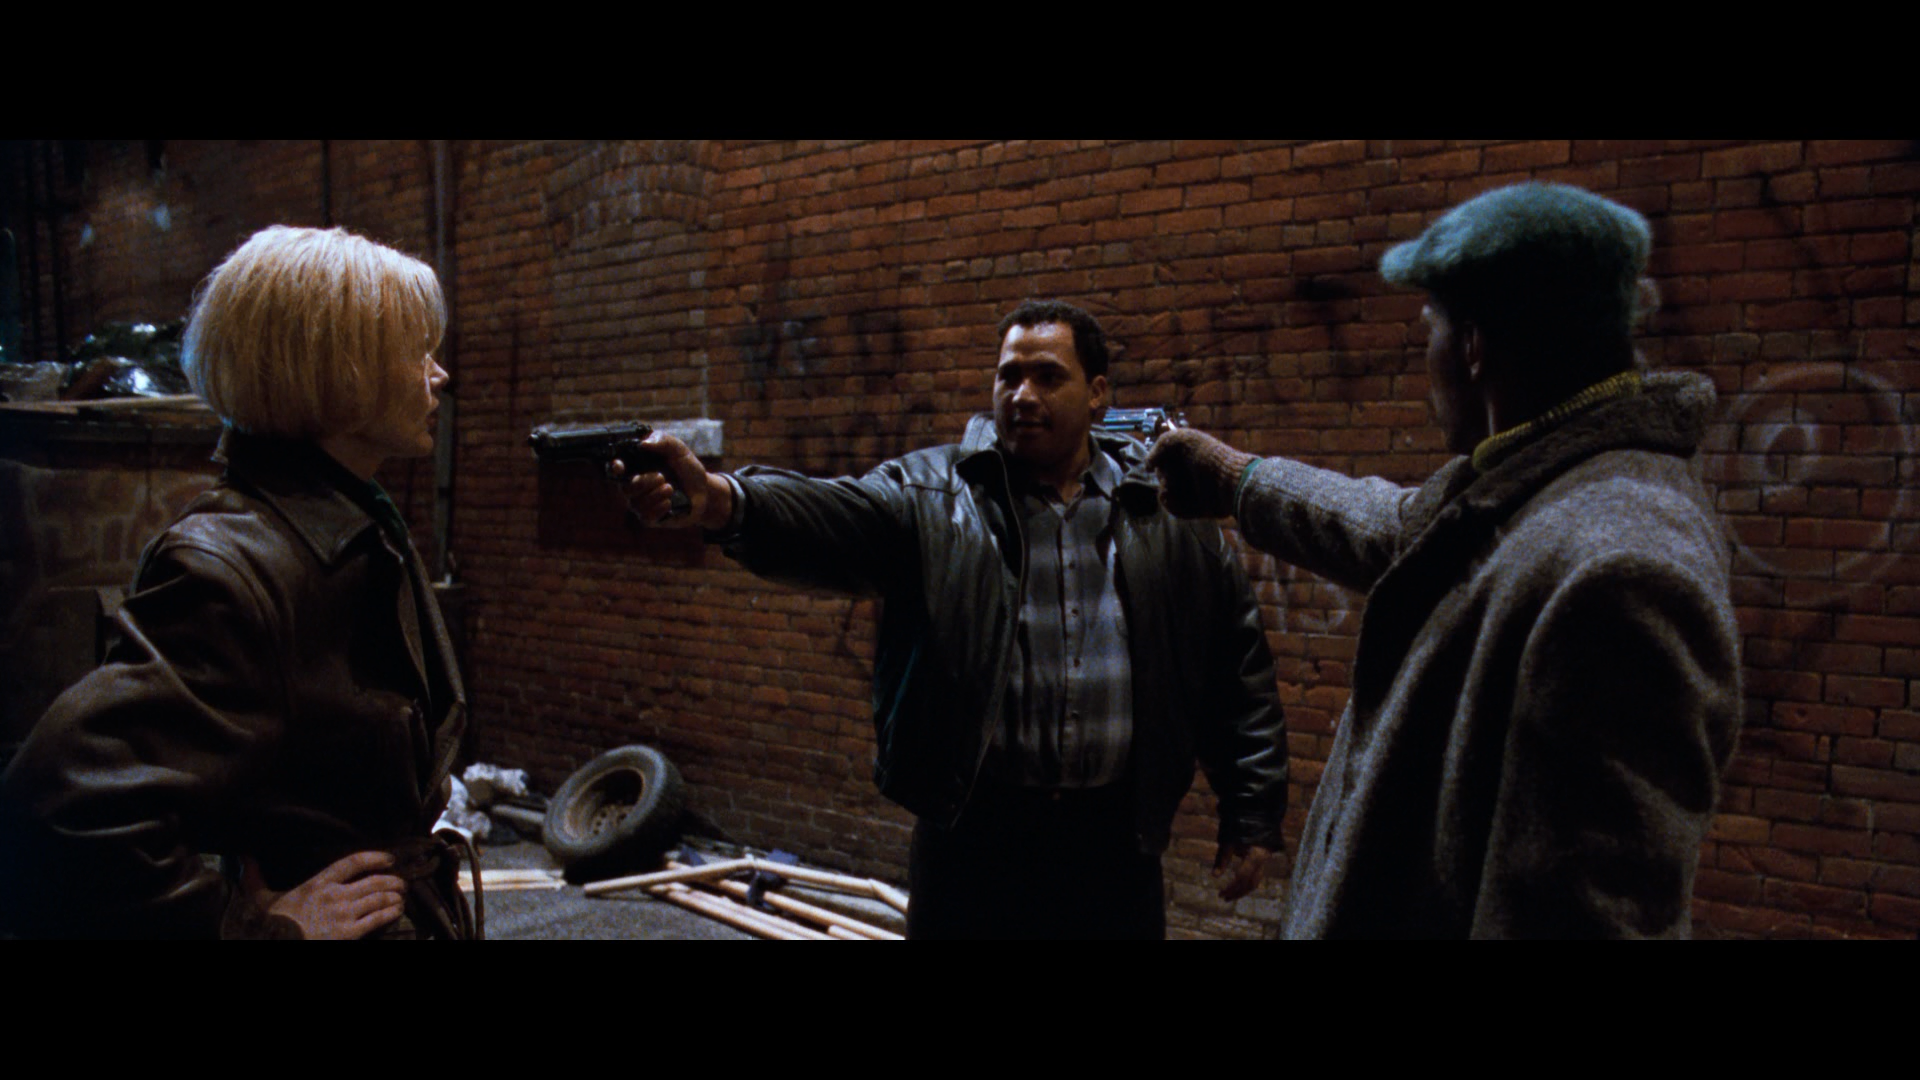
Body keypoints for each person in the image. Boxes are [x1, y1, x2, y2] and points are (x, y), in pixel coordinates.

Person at [1149, 182, 1743, 938]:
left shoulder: (1619, 574)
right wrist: (1236, 480)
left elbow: (1584, 921)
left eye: (1428, 326)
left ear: (1473, 346)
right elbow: (1401, 530)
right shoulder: (1545, 481)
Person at [620, 299, 1288, 938]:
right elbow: (828, 516)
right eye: (1009, 375)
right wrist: (719, 500)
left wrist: (1251, 813)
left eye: (1048, 376)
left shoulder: (1166, 514)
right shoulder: (934, 497)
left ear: (1097, 394)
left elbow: (1235, 666)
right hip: (974, 840)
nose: (1022, 395)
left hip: (1115, 845)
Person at [0, 225, 477, 939]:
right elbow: (54, 811)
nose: (438, 375)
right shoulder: (232, 566)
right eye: (415, 352)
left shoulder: (357, 522)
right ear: (339, 366)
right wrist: (251, 927)